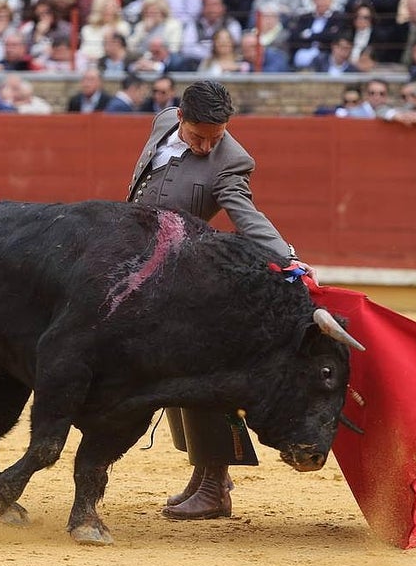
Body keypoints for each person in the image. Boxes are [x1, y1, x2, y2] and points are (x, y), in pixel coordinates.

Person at [126, 79, 307, 520]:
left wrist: (287, 259)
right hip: (151, 274)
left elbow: (247, 215)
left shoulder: (232, 162)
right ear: (181, 118)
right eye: (199, 136)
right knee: (169, 374)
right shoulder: (164, 122)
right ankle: (204, 474)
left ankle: (214, 485)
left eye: (217, 136)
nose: (208, 146)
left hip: (190, 278)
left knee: (197, 375)